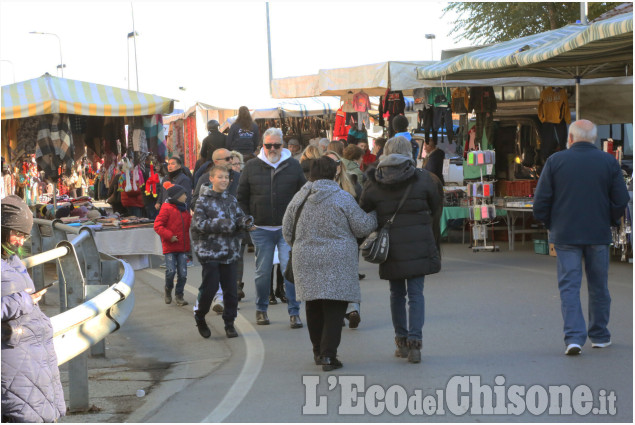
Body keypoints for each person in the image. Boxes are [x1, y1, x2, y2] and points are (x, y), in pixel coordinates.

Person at [533, 119, 629, 356]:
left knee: (569, 286)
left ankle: (574, 338)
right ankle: (599, 335)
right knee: (599, 286)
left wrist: (550, 223)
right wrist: (608, 219)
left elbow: (541, 202)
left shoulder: (555, 161)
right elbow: (621, 200)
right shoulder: (608, 161)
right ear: (595, 139)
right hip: (598, 233)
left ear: (570, 138)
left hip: (565, 233)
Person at [283, 157, 376, 371]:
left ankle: (317, 352)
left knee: (313, 305)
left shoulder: (299, 198)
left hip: (305, 258)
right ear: (335, 173)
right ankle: (328, 355)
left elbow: (287, 232)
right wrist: (374, 215)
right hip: (338, 259)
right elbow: (362, 228)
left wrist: (304, 245)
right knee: (335, 307)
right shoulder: (342, 198)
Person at [360, 136, 443, 364]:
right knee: (416, 294)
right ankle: (415, 345)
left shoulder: (374, 180)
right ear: (410, 152)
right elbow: (436, 207)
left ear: (385, 152)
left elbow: (364, 209)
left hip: (391, 247)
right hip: (418, 242)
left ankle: (401, 341)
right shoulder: (424, 179)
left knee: (396, 294)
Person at [1, 195, 66, 422]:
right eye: (17, 233)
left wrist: (30, 298)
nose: (21, 241)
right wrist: (24, 301)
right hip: (12, 358)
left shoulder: (10, 257)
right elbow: (16, 301)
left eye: (24, 235)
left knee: (39, 412)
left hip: (31, 357)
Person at [237, 127, 306, 328]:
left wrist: (298, 220)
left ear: (282, 145)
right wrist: (247, 219)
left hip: (286, 229)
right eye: (269, 145)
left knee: (289, 270)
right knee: (262, 272)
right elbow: (241, 198)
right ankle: (261, 309)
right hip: (260, 228)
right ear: (263, 146)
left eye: (276, 145)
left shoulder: (293, 165)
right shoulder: (251, 166)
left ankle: (294, 312)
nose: (273, 149)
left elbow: (303, 195)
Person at [191, 166, 254, 339]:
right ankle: (200, 315)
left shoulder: (231, 200)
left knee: (231, 291)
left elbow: (239, 217)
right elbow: (199, 225)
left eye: (226, 177)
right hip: (210, 252)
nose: (224, 180)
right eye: (220, 177)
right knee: (209, 289)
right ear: (211, 179)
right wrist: (227, 224)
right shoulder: (203, 201)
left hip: (230, 252)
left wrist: (246, 221)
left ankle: (229, 323)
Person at [153, 184, 192, 307]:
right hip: (170, 247)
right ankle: (168, 289)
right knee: (171, 271)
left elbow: (190, 224)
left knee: (183, 273)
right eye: (183, 194)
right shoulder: (166, 208)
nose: (186, 196)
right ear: (177, 196)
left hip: (182, 247)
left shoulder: (185, 209)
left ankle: (179, 295)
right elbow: (158, 225)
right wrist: (170, 236)